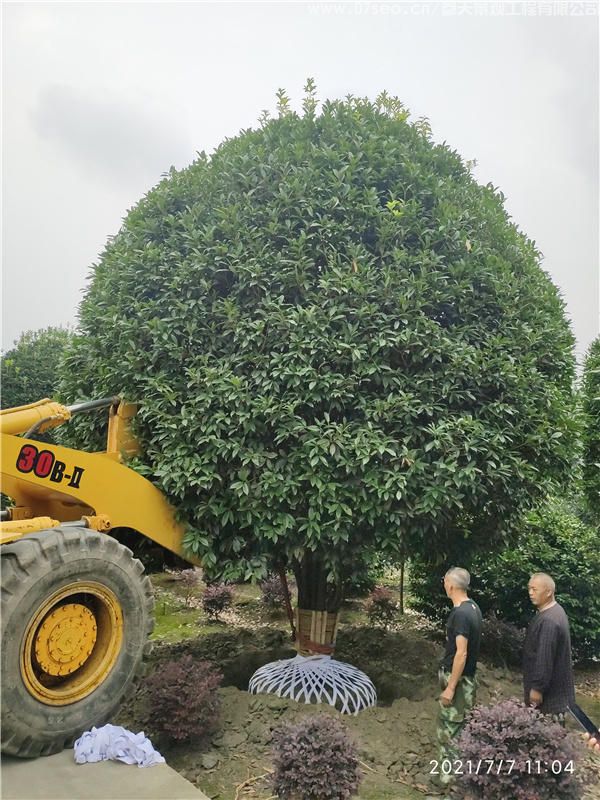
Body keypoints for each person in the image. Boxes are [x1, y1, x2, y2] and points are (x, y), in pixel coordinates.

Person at [436, 567, 483, 779]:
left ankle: (448, 779)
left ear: (451, 585)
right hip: (469, 680)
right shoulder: (473, 607)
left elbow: (461, 653)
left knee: (450, 729)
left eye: (445, 582)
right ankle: (462, 776)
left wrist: (450, 687)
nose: (444, 585)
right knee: (462, 727)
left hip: (459, 680)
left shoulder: (461, 615)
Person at [523, 572, 575, 723]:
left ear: (548, 592)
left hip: (550, 700)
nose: (530, 593)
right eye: (529, 589)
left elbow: (544, 657)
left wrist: (537, 689)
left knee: (547, 741)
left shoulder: (549, 620)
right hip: (556, 697)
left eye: (535, 589)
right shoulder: (556, 612)